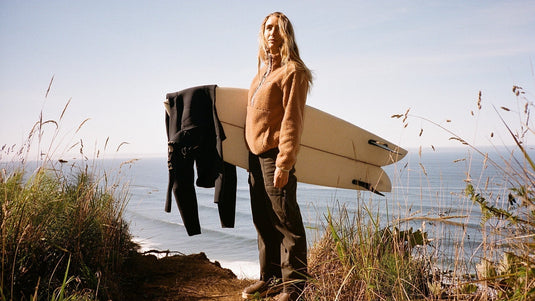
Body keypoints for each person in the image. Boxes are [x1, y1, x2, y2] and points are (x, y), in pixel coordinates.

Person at [242, 12, 313, 301]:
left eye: (278, 28)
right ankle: (270, 279)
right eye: (267, 28)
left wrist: (284, 163)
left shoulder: (292, 72)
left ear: (287, 35)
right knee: (263, 220)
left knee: (287, 222)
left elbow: (292, 122)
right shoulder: (260, 74)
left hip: (274, 156)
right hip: (253, 156)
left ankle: (294, 288)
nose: (272, 32)